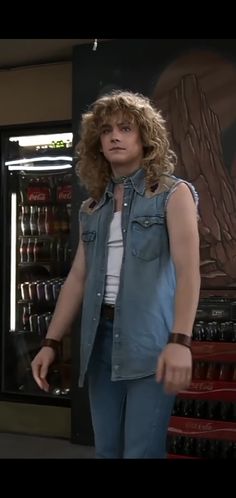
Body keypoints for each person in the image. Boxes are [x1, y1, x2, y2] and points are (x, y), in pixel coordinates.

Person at [31, 90, 200, 458]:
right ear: (97, 143)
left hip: (149, 342)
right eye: (106, 130)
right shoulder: (93, 207)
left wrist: (180, 341)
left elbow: (189, 273)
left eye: (126, 128)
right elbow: (78, 277)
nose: (115, 136)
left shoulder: (173, 194)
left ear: (145, 137)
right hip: (99, 344)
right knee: (107, 450)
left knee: (141, 451)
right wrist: (51, 342)